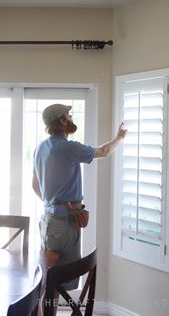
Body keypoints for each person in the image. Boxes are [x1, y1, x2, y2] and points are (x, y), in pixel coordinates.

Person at [32, 103, 127, 292]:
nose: (71, 118)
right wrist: (120, 138)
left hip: (48, 222)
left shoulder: (40, 148)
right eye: (69, 115)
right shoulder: (67, 147)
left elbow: (35, 185)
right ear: (61, 120)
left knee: (49, 276)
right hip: (64, 224)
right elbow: (104, 151)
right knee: (60, 278)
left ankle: (43, 311)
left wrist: (53, 203)